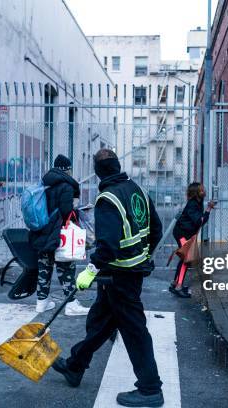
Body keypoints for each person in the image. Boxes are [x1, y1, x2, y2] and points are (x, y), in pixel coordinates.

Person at [52, 149, 165, 408]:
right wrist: (142, 254)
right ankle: (75, 366)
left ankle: (150, 389)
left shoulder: (107, 199)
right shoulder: (137, 190)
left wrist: (90, 270)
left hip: (118, 275)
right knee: (100, 321)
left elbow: (108, 246)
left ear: (99, 171)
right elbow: (156, 229)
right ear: (117, 166)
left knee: (134, 330)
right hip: (130, 272)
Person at [29, 154, 89, 316]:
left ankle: (41, 302)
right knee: (66, 269)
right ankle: (71, 304)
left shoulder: (43, 182)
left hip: (41, 232)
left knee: (44, 268)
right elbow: (65, 211)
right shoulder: (67, 186)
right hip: (58, 233)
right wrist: (76, 207)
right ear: (68, 169)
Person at [169, 182, 215, 298]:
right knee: (186, 259)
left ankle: (175, 283)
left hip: (186, 233)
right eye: (201, 189)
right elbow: (199, 221)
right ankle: (178, 287)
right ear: (196, 193)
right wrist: (208, 209)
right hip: (182, 233)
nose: (204, 191)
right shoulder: (193, 204)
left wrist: (207, 210)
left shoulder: (197, 203)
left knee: (185, 258)